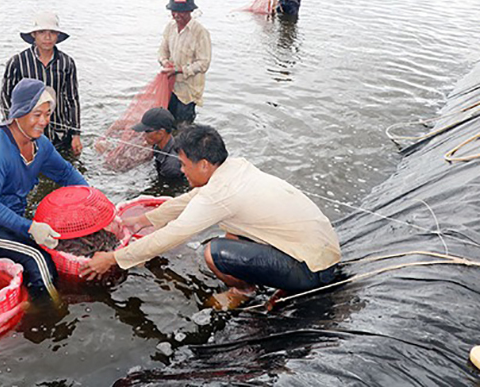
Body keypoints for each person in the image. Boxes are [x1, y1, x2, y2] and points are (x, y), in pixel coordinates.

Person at [81, 125, 341, 310]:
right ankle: (268, 279)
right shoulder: (234, 168)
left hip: (313, 270)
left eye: (184, 165)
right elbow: (190, 200)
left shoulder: (220, 194)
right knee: (232, 232)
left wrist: (114, 258)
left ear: (204, 164)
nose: (181, 171)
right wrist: (143, 220)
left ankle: (244, 291)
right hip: (323, 250)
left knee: (214, 251)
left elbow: (172, 236)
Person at [0, 79, 88, 298]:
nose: (44, 121)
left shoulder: (40, 145)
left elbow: (65, 173)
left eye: (47, 114)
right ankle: (52, 312)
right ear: (18, 114)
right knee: (39, 260)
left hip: (15, 213)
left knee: (64, 241)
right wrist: (31, 228)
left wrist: (90, 198)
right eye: (36, 115)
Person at [0, 11, 83, 156]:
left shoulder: (67, 63)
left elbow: (72, 99)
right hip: (26, 132)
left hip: (60, 134)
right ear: (34, 35)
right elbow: (6, 98)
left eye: (52, 32)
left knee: (64, 171)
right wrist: (13, 127)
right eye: (42, 32)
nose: (47, 37)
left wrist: (75, 134)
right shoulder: (17, 62)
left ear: (58, 36)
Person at [158, 0, 212, 125]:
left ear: (190, 11)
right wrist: (165, 62)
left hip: (188, 92)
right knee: (167, 124)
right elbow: (162, 51)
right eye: (174, 11)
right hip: (170, 87)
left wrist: (178, 70)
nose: (177, 15)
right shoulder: (170, 27)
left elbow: (203, 63)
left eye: (181, 11)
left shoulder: (200, 32)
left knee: (183, 128)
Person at [132, 107, 183, 180]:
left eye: (147, 131)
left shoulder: (171, 166)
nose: (143, 135)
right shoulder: (159, 144)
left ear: (161, 133)